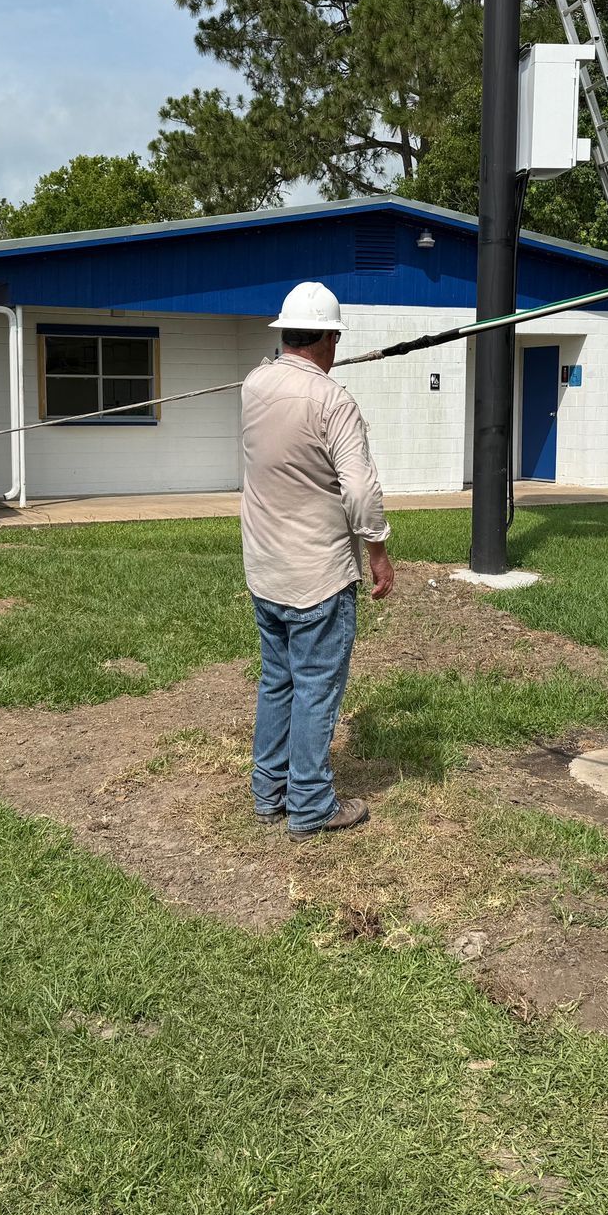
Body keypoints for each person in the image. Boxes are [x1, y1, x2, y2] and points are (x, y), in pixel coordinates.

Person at [240, 281, 395, 839]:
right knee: (315, 688)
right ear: (330, 338)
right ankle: (309, 805)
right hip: (318, 575)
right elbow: (359, 491)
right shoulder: (334, 401)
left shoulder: (253, 385)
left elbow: (279, 375)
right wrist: (377, 550)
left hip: (264, 568)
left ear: (283, 333)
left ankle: (268, 791)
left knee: (277, 681)